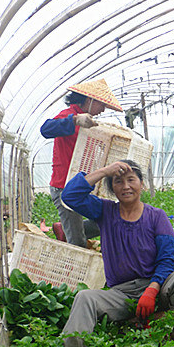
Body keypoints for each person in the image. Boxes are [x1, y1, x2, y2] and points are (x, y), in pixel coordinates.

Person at [58, 160, 174, 347]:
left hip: (156, 290)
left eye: (131, 180)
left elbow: (167, 259)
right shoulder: (105, 212)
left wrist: (152, 289)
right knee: (84, 297)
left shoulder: (156, 216)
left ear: (142, 184)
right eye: (118, 181)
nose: (126, 187)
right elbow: (70, 196)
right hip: (121, 294)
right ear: (112, 189)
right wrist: (105, 170)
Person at [40, 78, 123, 247]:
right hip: (64, 186)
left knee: (111, 218)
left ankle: (65, 229)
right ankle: (71, 256)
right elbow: (46, 129)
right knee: (77, 242)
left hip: (81, 185)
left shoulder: (91, 123)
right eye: (102, 104)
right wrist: (75, 120)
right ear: (90, 100)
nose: (103, 110)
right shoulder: (69, 115)